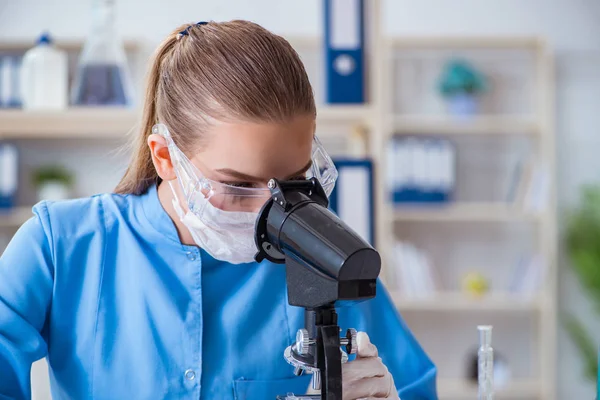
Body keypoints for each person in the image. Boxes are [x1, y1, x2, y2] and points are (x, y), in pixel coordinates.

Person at [0, 20, 437, 400]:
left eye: (291, 183)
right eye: (238, 184)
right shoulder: (61, 245)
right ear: (165, 158)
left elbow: (414, 386)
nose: (272, 211)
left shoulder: (324, 258)